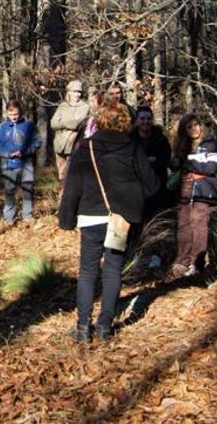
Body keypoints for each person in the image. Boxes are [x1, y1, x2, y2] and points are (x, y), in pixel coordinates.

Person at [58, 102, 159, 343]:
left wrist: (66, 219)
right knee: (113, 270)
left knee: (88, 271)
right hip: (121, 219)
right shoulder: (133, 147)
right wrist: (134, 201)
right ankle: (104, 326)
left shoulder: (86, 147)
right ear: (126, 122)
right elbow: (152, 185)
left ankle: (83, 327)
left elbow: (72, 187)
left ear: (100, 120)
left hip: (90, 217)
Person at [167, 114, 217, 279]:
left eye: (196, 125)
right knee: (183, 225)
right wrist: (180, 162)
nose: (194, 129)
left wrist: (188, 163)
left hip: (203, 190)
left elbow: (212, 167)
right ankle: (182, 261)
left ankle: (197, 263)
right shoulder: (181, 147)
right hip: (184, 190)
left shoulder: (210, 143)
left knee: (198, 225)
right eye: (189, 127)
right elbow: (175, 165)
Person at [0, 101, 41, 225]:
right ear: (7, 113)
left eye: (16, 114)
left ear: (20, 112)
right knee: (9, 190)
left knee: (27, 189)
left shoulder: (29, 125)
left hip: (26, 163)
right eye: (11, 114)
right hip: (8, 164)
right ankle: (9, 217)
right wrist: (8, 154)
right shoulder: (2, 127)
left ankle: (27, 214)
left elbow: (37, 142)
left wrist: (25, 152)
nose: (13, 117)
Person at [131, 105, 173, 224]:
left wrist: (149, 163)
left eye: (148, 119)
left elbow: (165, 161)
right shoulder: (130, 139)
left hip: (158, 186)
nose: (146, 122)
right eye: (142, 119)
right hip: (136, 187)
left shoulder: (161, 139)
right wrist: (147, 161)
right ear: (137, 120)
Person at [51, 80, 90, 182]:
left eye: (79, 92)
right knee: (61, 175)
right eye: (75, 91)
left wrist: (62, 122)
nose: (77, 94)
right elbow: (53, 123)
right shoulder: (62, 106)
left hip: (73, 144)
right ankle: (62, 191)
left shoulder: (85, 107)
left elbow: (76, 124)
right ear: (69, 92)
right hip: (59, 144)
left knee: (72, 175)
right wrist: (67, 123)